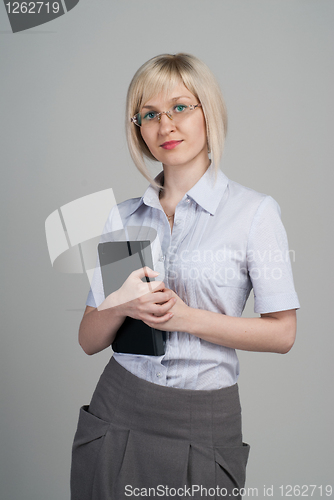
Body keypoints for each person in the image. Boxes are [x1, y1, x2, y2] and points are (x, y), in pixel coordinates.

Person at [70, 53, 300, 500]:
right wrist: (123, 304)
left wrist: (183, 317)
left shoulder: (254, 214)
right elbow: (89, 339)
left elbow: (283, 333)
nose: (165, 125)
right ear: (138, 128)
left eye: (180, 107)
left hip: (204, 419)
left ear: (207, 112)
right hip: (118, 407)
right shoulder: (124, 218)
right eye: (149, 114)